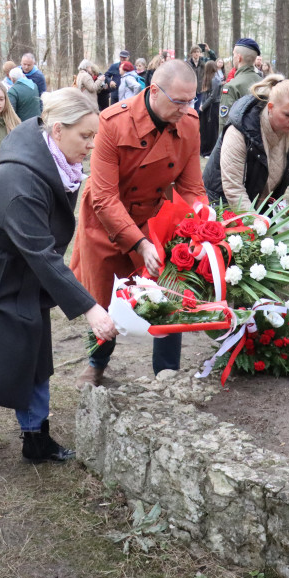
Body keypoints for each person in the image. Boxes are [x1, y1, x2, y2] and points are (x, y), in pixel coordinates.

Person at [0, 87, 116, 462]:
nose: (91, 145)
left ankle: (35, 437)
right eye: (85, 136)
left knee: (32, 346)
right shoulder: (21, 183)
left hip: (17, 263)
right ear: (57, 130)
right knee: (2, 352)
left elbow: (38, 250)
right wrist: (90, 308)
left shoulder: (55, 161)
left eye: (94, 135)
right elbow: (42, 254)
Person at [71, 60, 204, 388]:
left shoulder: (189, 123)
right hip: (104, 221)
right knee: (104, 297)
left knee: (171, 287)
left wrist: (203, 226)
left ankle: (166, 372)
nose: (187, 110)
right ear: (154, 91)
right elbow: (104, 197)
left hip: (153, 217)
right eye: (179, 102)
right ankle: (97, 362)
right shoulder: (113, 121)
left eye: (192, 101)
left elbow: (191, 188)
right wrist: (139, 244)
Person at [204, 76, 289, 211]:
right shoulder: (240, 130)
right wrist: (254, 222)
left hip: (262, 208)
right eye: (288, 115)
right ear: (271, 107)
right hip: (222, 207)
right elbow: (233, 188)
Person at [219, 38, 262, 134]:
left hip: (238, 143)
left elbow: (224, 124)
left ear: (239, 57)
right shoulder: (263, 83)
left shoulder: (231, 87)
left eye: (234, 54)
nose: (233, 57)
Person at [199, 60, 222, 157]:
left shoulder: (216, 80)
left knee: (211, 130)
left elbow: (213, 97)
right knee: (204, 129)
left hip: (212, 108)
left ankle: (210, 151)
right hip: (205, 107)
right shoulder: (208, 79)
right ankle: (204, 150)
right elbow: (204, 94)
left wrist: (203, 106)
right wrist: (202, 105)